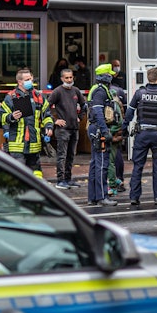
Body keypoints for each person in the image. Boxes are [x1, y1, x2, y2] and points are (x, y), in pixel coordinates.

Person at [122, 66, 157, 207]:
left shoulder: (139, 93)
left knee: (138, 166)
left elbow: (129, 113)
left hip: (142, 134)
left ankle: (134, 197)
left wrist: (124, 128)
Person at [0, 67, 53, 178]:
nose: (30, 82)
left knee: (36, 175)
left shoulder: (38, 97)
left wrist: (49, 126)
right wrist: (11, 117)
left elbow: (47, 115)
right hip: (17, 145)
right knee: (19, 175)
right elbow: (1, 116)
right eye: (27, 79)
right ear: (19, 82)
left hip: (34, 144)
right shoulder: (11, 97)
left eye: (31, 79)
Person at [47, 67, 86, 190]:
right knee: (62, 155)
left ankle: (68, 179)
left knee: (71, 155)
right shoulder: (57, 91)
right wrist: (55, 120)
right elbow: (45, 108)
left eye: (71, 77)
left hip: (74, 128)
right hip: (63, 129)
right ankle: (60, 180)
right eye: (66, 78)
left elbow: (84, 105)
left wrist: (80, 117)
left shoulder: (76, 91)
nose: (69, 80)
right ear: (61, 78)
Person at [86, 63, 119, 206]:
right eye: (109, 74)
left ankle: (92, 197)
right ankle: (102, 196)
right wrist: (105, 130)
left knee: (95, 164)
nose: (112, 76)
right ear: (105, 76)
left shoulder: (98, 89)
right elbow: (98, 112)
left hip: (95, 128)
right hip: (99, 130)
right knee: (101, 164)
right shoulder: (100, 91)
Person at [107, 72, 129, 196]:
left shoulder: (103, 93)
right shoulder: (119, 91)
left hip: (111, 130)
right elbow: (124, 109)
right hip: (118, 129)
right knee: (118, 155)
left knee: (109, 159)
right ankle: (119, 180)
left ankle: (113, 183)